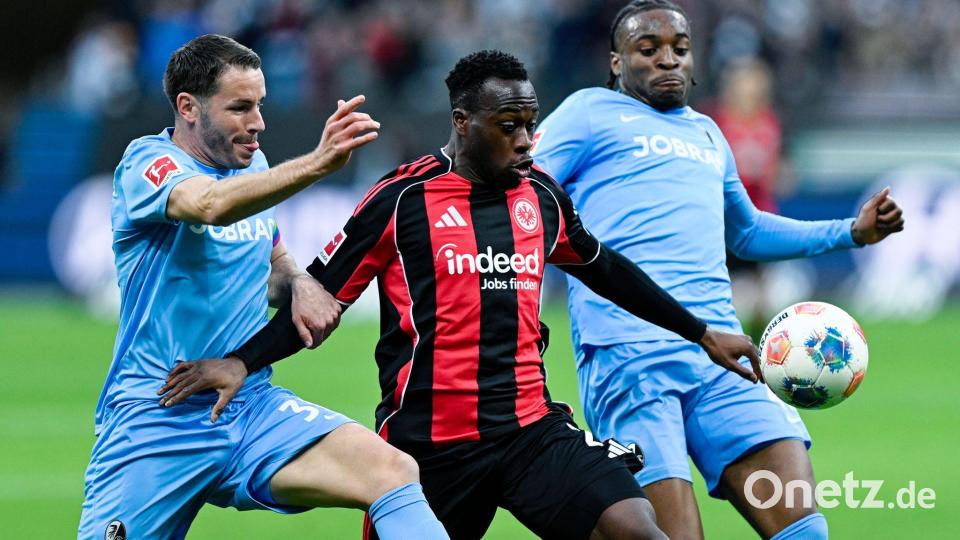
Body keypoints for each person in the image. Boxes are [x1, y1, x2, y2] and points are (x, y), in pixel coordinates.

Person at [158, 50, 765, 540]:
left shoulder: (543, 197)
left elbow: (605, 268)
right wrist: (241, 361)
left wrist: (701, 332)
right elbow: (315, 303)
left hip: (531, 432)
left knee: (635, 527)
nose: (528, 140)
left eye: (531, 123)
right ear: (462, 123)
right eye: (510, 127)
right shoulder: (402, 200)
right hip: (427, 450)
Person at [531, 2, 905, 539]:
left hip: (724, 355)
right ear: (616, 62)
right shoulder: (587, 112)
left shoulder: (707, 132)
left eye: (680, 49)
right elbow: (523, 193)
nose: (668, 60)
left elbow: (746, 231)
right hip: (629, 360)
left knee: (805, 529)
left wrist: (851, 231)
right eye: (649, 49)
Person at [78, 34, 448, 540]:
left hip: (248, 406)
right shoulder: (149, 163)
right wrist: (318, 162)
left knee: (392, 472)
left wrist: (298, 280)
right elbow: (209, 205)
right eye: (240, 107)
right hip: (156, 417)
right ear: (189, 107)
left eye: (260, 105)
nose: (257, 123)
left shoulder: (252, 163)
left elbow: (267, 258)